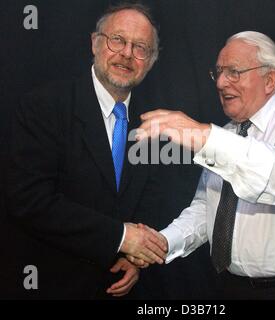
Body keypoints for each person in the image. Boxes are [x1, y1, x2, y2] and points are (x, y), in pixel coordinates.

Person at [132, 31, 275, 299]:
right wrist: (162, 242)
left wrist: (203, 135)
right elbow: (206, 210)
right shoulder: (225, 136)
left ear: (269, 80)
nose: (221, 82)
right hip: (232, 288)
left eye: (234, 71)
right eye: (218, 72)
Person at [5, 2, 167, 299]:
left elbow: (152, 200)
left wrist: (134, 258)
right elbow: (28, 200)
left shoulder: (155, 123)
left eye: (141, 47)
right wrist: (120, 239)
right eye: (117, 40)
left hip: (123, 289)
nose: (127, 54)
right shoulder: (45, 106)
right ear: (95, 43)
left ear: (152, 60)